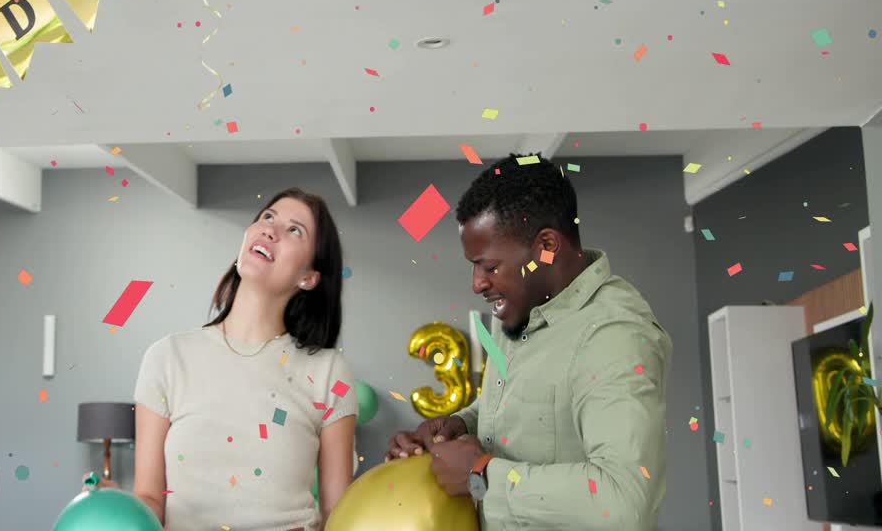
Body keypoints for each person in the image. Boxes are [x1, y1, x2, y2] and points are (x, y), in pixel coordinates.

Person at [385, 153, 672, 530]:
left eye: (489, 266)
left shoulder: (613, 334)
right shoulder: (523, 307)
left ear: (546, 247)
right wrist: (461, 425)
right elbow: (525, 410)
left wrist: (481, 474)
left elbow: (623, 500)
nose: (476, 284)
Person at [91, 188, 358, 531]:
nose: (270, 230)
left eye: (295, 230)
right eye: (267, 217)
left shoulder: (328, 371)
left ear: (308, 277)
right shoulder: (167, 358)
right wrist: (117, 510)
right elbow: (151, 498)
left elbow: (339, 517)